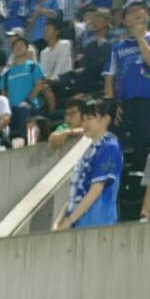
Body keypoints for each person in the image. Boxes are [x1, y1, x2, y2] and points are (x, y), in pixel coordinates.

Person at [105, 0, 150, 157]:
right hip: (123, 103)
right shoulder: (117, 47)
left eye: (140, 9)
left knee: (144, 146)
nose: (136, 13)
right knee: (117, 145)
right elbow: (109, 77)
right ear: (124, 20)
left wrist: (140, 37)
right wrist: (111, 103)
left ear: (147, 13)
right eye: (130, 12)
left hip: (147, 100)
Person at [56, 98, 123, 230]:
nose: (85, 124)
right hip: (79, 224)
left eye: (90, 118)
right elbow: (76, 191)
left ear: (105, 119)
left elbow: (95, 190)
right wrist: (59, 220)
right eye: (84, 119)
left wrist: (68, 221)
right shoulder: (88, 150)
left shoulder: (110, 147)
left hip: (99, 224)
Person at [0, 34, 50, 141]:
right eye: (15, 46)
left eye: (21, 45)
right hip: (12, 109)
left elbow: (39, 85)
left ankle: (26, 140)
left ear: (27, 48)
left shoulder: (33, 66)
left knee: (24, 109)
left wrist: (27, 100)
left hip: (30, 106)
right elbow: (4, 92)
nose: (18, 47)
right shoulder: (7, 72)